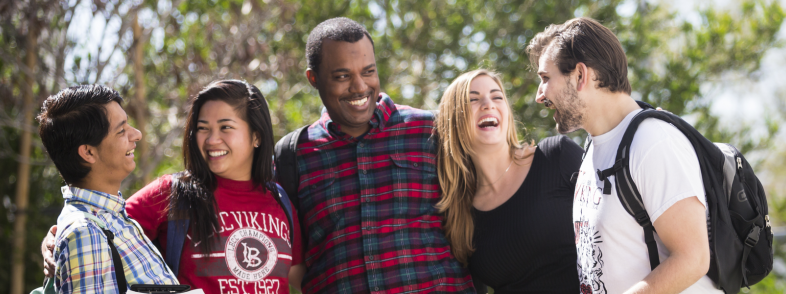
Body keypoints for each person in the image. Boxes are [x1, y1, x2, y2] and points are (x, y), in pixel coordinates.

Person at [41, 80, 305, 294]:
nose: (213, 139)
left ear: (257, 135)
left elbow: (301, 278)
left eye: (226, 127)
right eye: (202, 128)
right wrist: (55, 240)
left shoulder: (280, 200)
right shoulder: (170, 193)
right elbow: (100, 226)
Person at [274, 17, 474, 293]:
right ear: (313, 78)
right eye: (342, 76)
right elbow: (290, 258)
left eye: (368, 72)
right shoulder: (291, 156)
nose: (359, 87)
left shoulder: (432, 130)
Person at [528, 17, 715, 294]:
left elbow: (693, 258)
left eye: (546, 78)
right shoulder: (594, 148)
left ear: (581, 75)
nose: (539, 95)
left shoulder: (652, 142)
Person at [434, 69, 583, 293]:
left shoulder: (556, 156)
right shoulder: (461, 215)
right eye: (473, 99)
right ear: (454, 121)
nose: (488, 104)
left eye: (497, 97)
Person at [36, 85, 178, 293]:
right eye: (121, 130)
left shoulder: (112, 218)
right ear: (88, 152)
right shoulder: (86, 233)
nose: (137, 134)